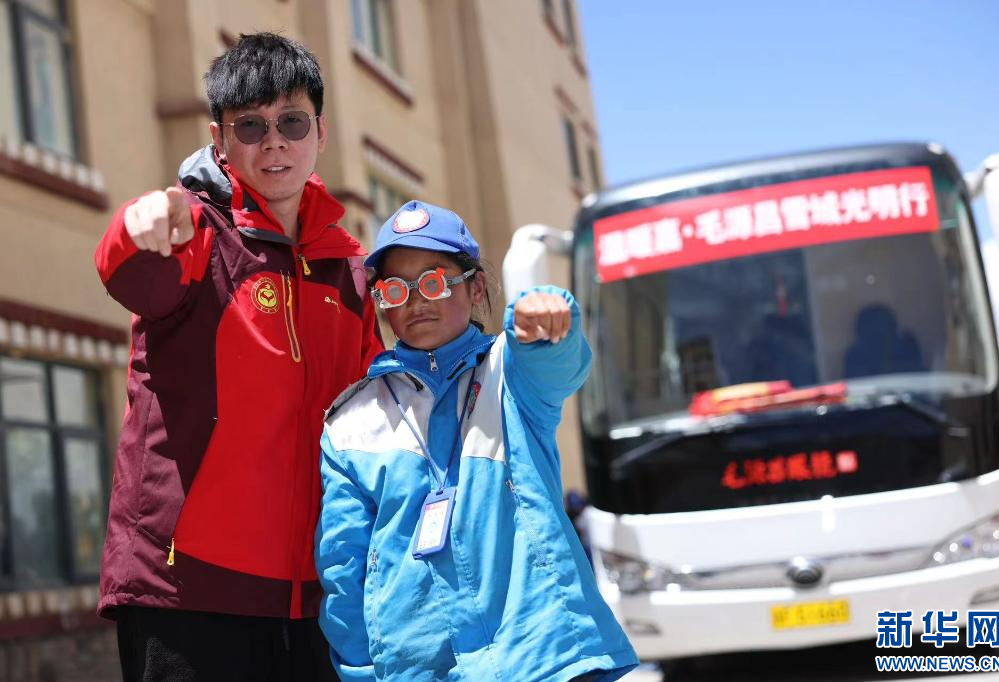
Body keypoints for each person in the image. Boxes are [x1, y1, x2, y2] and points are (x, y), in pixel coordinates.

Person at [93, 33, 382, 681]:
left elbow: (378, 423)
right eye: (250, 125)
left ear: (320, 133)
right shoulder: (195, 231)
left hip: (319, 597)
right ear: (219, 141)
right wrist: (140, 223)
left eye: (291, 122)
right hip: (187, 592)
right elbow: (128, 267)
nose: (273, 142)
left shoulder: (351, 272)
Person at [316, 200, 639, 681]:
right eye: (395, 289)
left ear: (477, 287)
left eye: (433, 281)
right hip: (416, 670)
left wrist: (546, 317)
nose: (415, 301)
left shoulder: (512, 370)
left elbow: (559, 364)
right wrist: (362, 672)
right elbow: (343, 566)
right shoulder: (350, 420)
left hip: (541, 660)